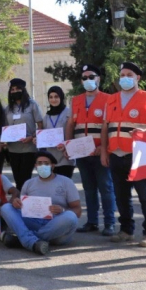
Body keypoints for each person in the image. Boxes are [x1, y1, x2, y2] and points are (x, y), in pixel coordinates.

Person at [101, 61, 146, 248]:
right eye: (122, 75)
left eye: (129, 75)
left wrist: (145, 133)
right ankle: (126, 230)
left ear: (138, 78)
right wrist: (104, 151)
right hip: (116, 155)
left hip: (139, 156)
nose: (125, 78)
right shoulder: (111, 100)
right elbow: (105, 128)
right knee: (121, 196)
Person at [62, 64, 116, 236]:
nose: (88, 80)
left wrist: (104, 148)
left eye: (91, 77)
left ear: (98, 79)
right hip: (81, 152)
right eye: (84, 78)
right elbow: (70, 124)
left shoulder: (109, 99)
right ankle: (92, 222)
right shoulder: (76, 100)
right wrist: (68, 145)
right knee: (88, 188)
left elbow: (112, 126)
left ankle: (109, 223)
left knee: (106, 187)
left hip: (100, 152)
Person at [0, 151, 81, 255]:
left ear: (52, 166)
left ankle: (23, 239)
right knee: (6, 208)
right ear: (35, 166)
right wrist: (16, 203)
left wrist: (63, 210)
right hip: (34, 222)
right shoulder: (28, 183)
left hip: (56, 227)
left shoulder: (66, 182)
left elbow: (78, 211)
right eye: (39, 163)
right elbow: (23, 207)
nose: (43, 166)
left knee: (70, 216)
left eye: (46, 163)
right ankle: (31, 241)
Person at [4, 78, 43, 192]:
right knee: (17, 179)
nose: (15, 91)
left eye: (17, 89)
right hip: (13, 149)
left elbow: (40, 125)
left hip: (28, 148)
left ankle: (25, 199)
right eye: (12, 89)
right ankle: (20, 200)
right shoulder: (8, 108)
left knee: (25, 179)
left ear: (23, 90)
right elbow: (5, 128)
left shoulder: (32, 104)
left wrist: (32, 137)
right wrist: (4, 140)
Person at [43, 86, 75, 178]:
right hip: (51, 158)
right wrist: (37, 139)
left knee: (64, 183)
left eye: (56, 96)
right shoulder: (47, 116)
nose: (53, 100)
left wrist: (66, 145)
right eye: (51, 97)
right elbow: (43, 134)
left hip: (66, 156)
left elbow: (73, 131)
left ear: (61, 97)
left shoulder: (69, 112)